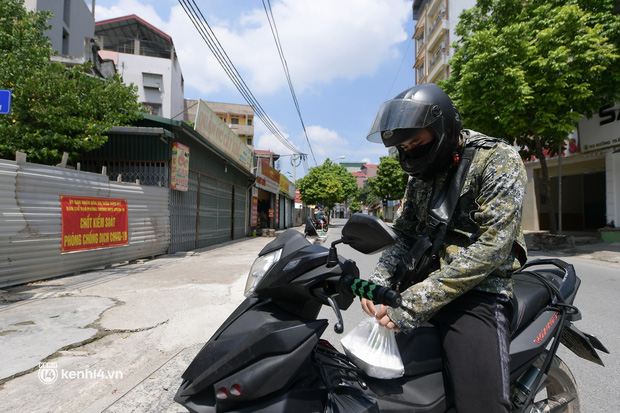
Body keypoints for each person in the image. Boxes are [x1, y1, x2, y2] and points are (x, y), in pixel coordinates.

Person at [361, 83, 527, 412]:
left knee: (480, 405)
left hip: (480, 290)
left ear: (444, 130)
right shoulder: (420, 174)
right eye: (404, 148)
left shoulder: (497, 160)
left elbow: (491, 248)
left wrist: (414, 303)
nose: (410, 154)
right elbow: (405, 234)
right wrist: (378, 281)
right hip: (422, 284)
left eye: (417, 144)